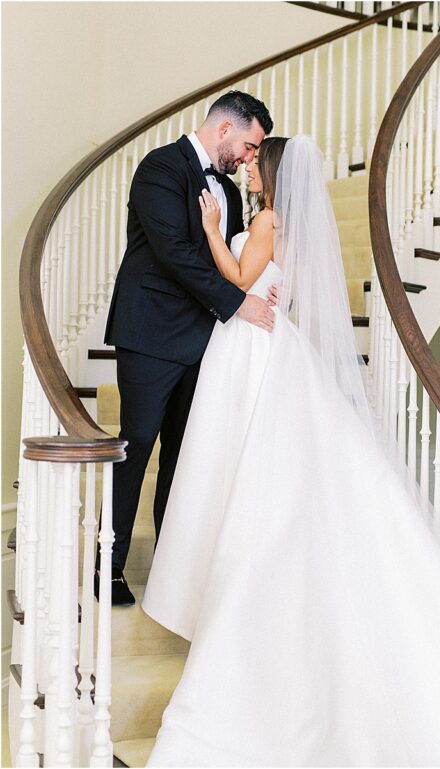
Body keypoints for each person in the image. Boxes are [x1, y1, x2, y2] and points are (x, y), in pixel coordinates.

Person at [140, 135, 440, 767]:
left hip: (251, 347)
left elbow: (235, 280)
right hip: (271, 343)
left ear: (273, 175)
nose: (249, 170)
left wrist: (207, 229)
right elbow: (283, 289)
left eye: (257, 164)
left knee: (251, 469)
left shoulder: (264, 219)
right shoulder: (284, 222)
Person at [102, 91, 277, 606]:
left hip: (205, 341)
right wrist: (237, 303)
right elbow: (174, 251)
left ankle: (169, 571)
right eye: (249, 145)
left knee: (182, 457)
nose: (250, 157)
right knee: (134, 448)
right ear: (225, 129)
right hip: (152, 334)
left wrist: (264, 284)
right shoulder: (159, 168)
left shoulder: (228, 188)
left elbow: (235, 256)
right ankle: (106, 568)